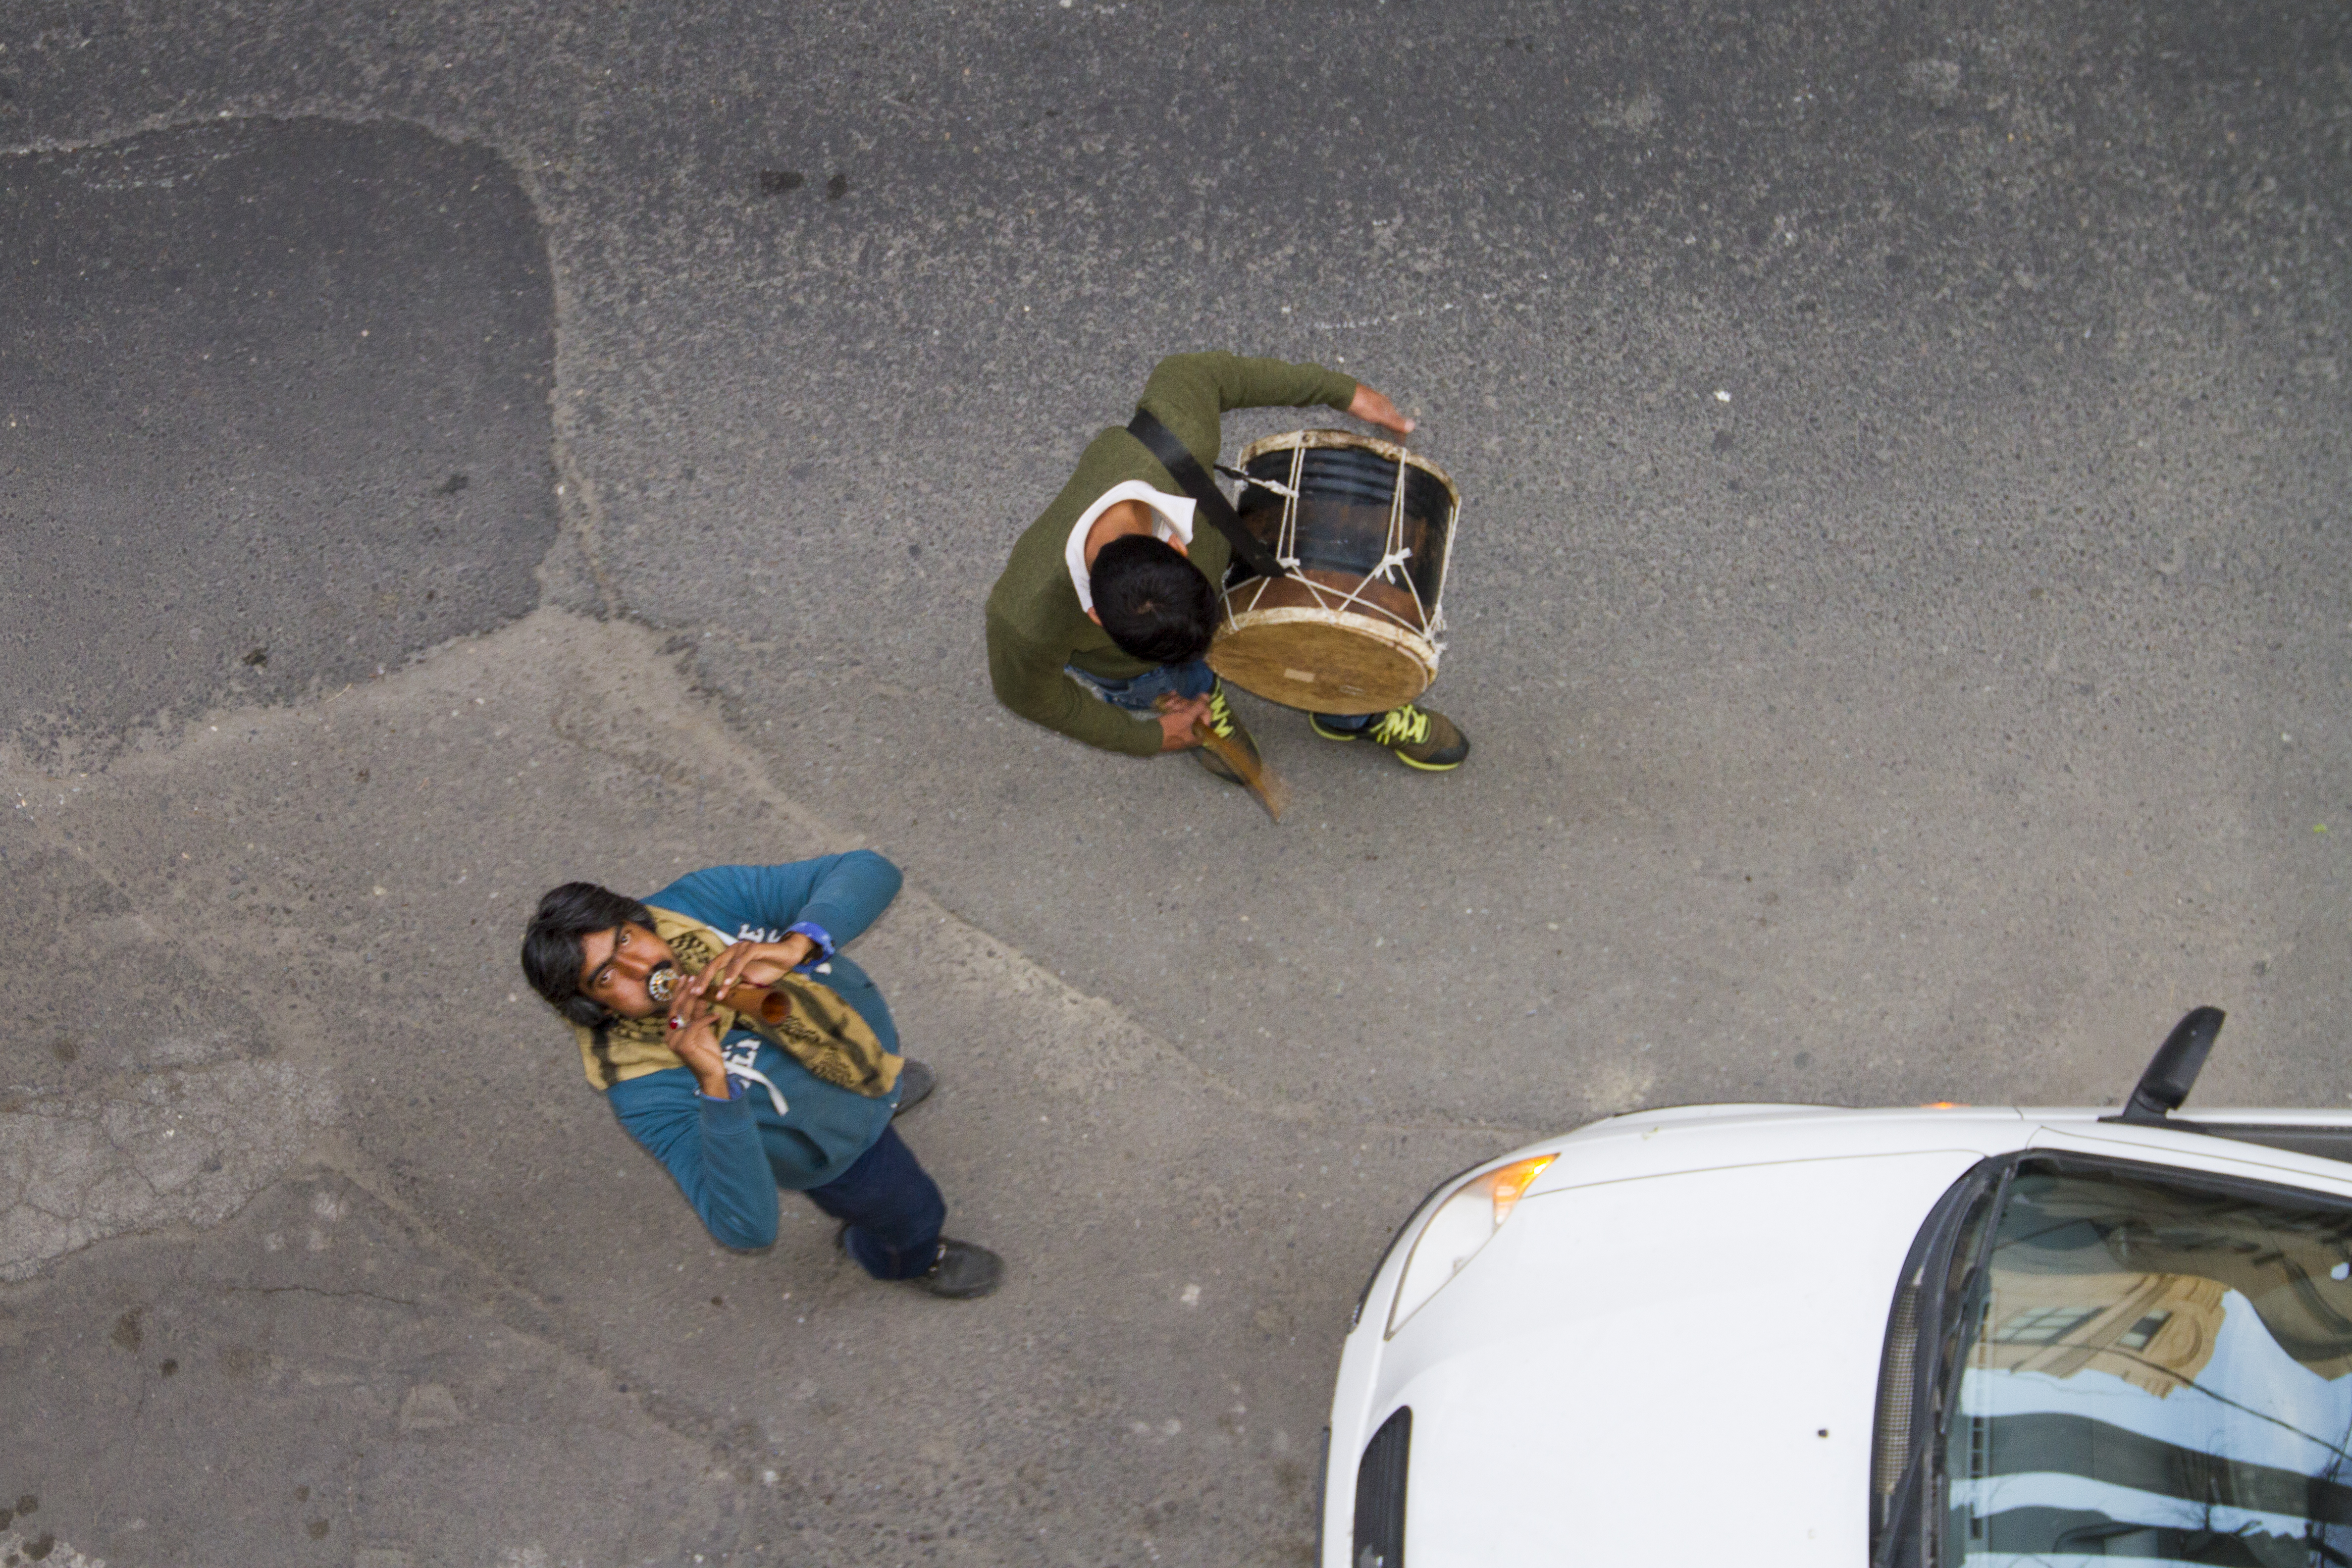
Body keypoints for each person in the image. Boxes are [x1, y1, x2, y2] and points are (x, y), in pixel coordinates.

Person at [518, 850, 1002, 1298]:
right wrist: (714, 1084)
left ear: (636, 918)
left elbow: (871, 869)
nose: (642, 967)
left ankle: (883, 1090)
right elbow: (744, 1226)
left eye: (626, 939)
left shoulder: (697, 905)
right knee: (908, 1210)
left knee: (884, 1079)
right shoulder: (641, 1088)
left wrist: (802, 942)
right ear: (591, 1005)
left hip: (863, 1054)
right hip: (834, 1152)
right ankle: (903, 1257)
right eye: (607, 977)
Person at [985, 351, 1471, 779]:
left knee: (1331, 631)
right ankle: (1198, 712)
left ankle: (1355, 708)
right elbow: (1034, 697)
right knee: (1180, 678)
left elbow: (1200, 371)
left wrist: (1342, 392)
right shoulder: (1024, 621)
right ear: (1094, 616)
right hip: (1137, 670)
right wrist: (1155, 735)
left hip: (1229, 554)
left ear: (1178, 548)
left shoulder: (1176, 436)